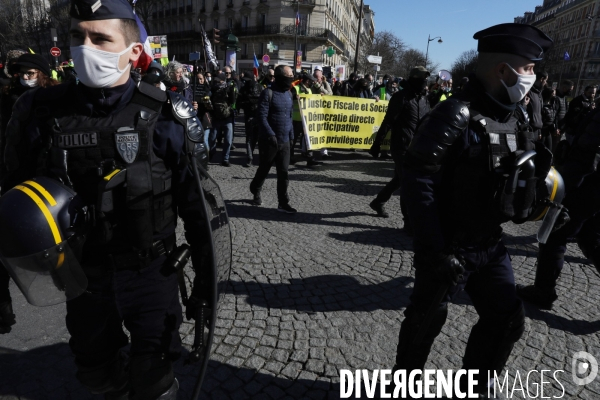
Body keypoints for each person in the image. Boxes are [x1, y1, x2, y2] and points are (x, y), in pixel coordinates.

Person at [0, 0, 223, 397]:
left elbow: (199, 209)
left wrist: (207, 286)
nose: (85, 48)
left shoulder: (167, 116)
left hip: (152, 272)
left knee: (154, 380)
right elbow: (10, 205)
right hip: (80, 275)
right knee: (96, 374)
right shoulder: (38, 113)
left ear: (134, 51)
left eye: (101, 38)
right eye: (76, 36)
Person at [392, 23, 556, 397]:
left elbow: (526, 170)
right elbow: (418, 184)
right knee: (425, 322)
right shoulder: (453, 114)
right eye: (528, 68)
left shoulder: (518, 115)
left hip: (490, 242)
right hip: (449, 245)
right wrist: (434, 250)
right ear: (504, 70)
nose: (533, 77)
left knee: (506, 319)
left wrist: (545, 200)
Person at [516, 108, 600, 310]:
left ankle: (543, 291)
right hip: (593, 184)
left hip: (587, 182)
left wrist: (565, 184)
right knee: (590, 236)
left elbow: (589, 152)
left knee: (555, 230)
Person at [368, 66, 431, 232]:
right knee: (407, 183)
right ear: (413, 79)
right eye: (421, 78)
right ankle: (408, 222)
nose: (424, 82)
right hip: (401, 147)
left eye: (426, 79)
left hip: (417, 147)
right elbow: (388, 122)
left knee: (399, 179)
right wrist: (377, 144)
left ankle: (378, 202)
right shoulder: (400, 97)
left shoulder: (425, 99)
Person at [249, 65, 296, 213]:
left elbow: (289, 116)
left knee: (284, 173)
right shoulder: (267, 93)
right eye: (289, 76)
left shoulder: (289, 94)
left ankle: (283, 202)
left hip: (285, 141)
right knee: (264, 169)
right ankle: (255, 189)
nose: (291, 79)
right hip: (270, 141)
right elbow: (261, 117)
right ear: (281, 77)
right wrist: (270, 134)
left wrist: (292, 135)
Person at [291, 72, 321, 167]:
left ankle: (310, 159)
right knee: (293, 140)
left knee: (309, 140)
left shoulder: (309, 89)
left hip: (307, 120)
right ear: (307, 81)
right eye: (312, 81)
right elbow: (289, 99)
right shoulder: (296, 88)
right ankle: (290, 157)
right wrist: (295, 98)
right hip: (297, 119)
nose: (313, 82)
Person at [209, 74, 236, 166]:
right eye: (216, 80)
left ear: (223, 80)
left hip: (227, 117)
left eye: (219, 80)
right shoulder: (213, 88)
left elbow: (233, 101)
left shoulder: (228, 88)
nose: (217, 82)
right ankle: (211, 154)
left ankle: (225, 158)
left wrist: (231, 91)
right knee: (212, 138)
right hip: (216, 117)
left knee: (228, 140)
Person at [237, 74, 262, 167]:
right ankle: (250, 157)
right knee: (249, 137)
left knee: (258, 137)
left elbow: (264, 101)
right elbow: (239, 101)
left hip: (259, 115)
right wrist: (246, 104)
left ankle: (258, 157)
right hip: (249, 115)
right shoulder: (243, 89)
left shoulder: (260, 87)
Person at [553, 79, 573, 152]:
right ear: (564, 88)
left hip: (561, 127)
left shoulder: (564, 97)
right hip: (556, 128)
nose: (570, 91)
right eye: (569, 89)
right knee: (553, 146)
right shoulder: (556, 97)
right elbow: (554, 114)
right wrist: (555, 127)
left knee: (556, 145)